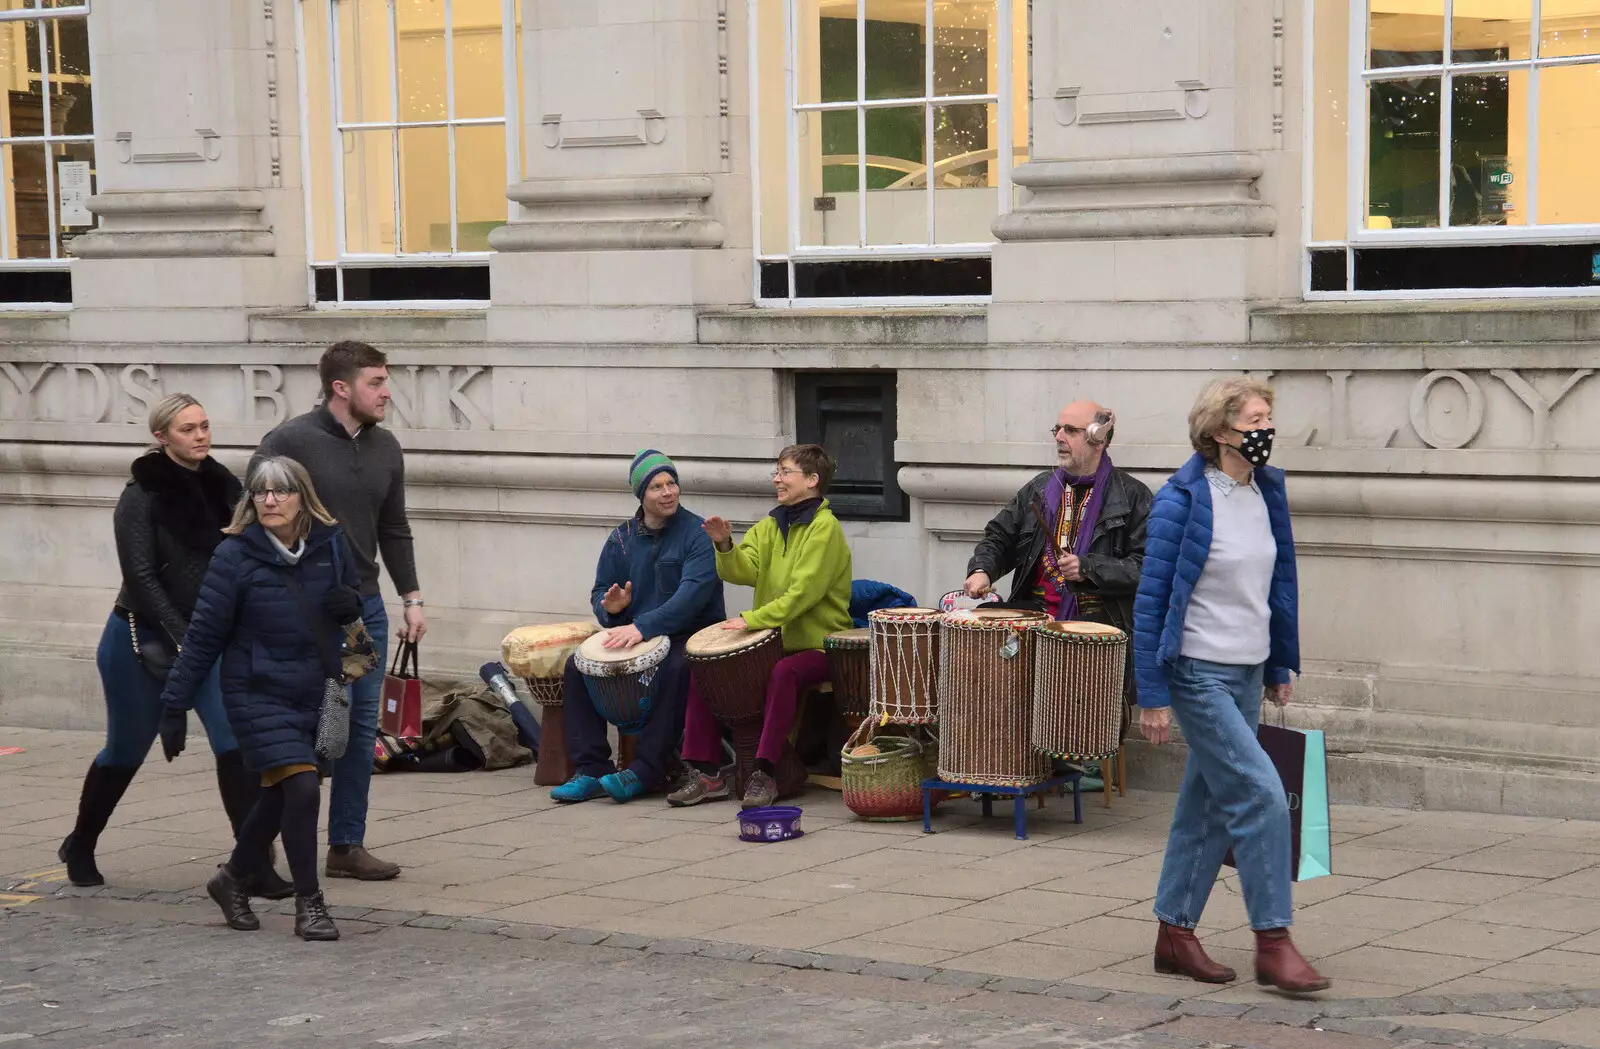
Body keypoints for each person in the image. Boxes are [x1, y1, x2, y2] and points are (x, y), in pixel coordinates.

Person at [1133, 376, 1330, 993]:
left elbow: (1276, 586)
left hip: (1246, 670)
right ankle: (1273, 941)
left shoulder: (1266, 490)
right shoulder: (1182, 500)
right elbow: (1152, 601)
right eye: (1255, 419)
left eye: (1269, 417)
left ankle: (1174, 933)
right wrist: (1152, 695)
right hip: (1197, 672)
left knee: (1209, 802)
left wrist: (1278, 665)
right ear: (1221, 432)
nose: (1266, 429)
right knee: (1261, 796)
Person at [56, 395, 291, 900]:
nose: (201, 436)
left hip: (209, 638)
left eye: (205, 425)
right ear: (163, 436)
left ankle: (251, 864)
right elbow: (140, 578)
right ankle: (81, 843)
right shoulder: (141, 494)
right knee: (125, 749)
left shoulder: (226, 487)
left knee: (235, 743)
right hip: (140, 639)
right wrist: (188, 639)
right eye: (188, 429)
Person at [159, 456, 364, 942]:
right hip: (256, 692)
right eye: (261, 492)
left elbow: (352, 598)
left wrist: (350, 603)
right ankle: (310, 906)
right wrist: (174, 704)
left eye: (282, 491)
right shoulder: (234, 556)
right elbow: (205, 635)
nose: (270, 501)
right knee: (303, 790)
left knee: (278, 796)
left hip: (314, 690)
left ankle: (230, 879)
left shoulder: (329, 544)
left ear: (302, 498)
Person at [252, 341, 421, 882]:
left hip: (363, 610)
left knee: (359, 728)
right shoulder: (289, 442)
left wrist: (411, 597)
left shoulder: (386, 447)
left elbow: (392, 528)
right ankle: (263, 842)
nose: (386, 392)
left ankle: (346, 845)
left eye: (386, 380)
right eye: (376, 382)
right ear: (341, 389)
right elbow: (256, 516)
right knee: (302, 731)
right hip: (303, 611)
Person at [963, 399, 1150, 784]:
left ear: (1098, 438)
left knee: (1071, 645)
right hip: (1034, 614)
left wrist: (1090, 567)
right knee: (979, 641)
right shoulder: (1037, 490)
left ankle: (1077, 749)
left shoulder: (1133, 497)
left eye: (1071, 431)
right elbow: (999, 535)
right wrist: (983, 569)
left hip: (1096, 617)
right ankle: (995, 752)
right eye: (1057, 430)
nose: (1059, 438)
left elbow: (1148, 567)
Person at [670, 444, 853, 809]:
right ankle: (706, 771)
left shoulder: (825, 528)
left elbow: (804, 593)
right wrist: (724, 545)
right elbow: (745, 569)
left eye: (785, 471)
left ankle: (764, 772)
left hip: (819, 645)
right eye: (777, 471)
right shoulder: (772, 524)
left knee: (784, 673)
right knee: (709, 670)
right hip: (773, 642)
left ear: (812, 480)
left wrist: (752, 620)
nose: (776, 478)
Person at [551, 450, 725, 804]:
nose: (668, 492)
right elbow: (601, 591)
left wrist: (641, 626)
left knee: (676, 667)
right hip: (638, 633)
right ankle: (591, 769)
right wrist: (611, 609)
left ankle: (645, 770)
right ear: (641, 494)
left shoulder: (697, 533)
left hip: (690, 634)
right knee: (577, 665)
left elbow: (691, 597)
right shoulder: (620, 539)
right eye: (657, 486)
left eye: (672, 483)